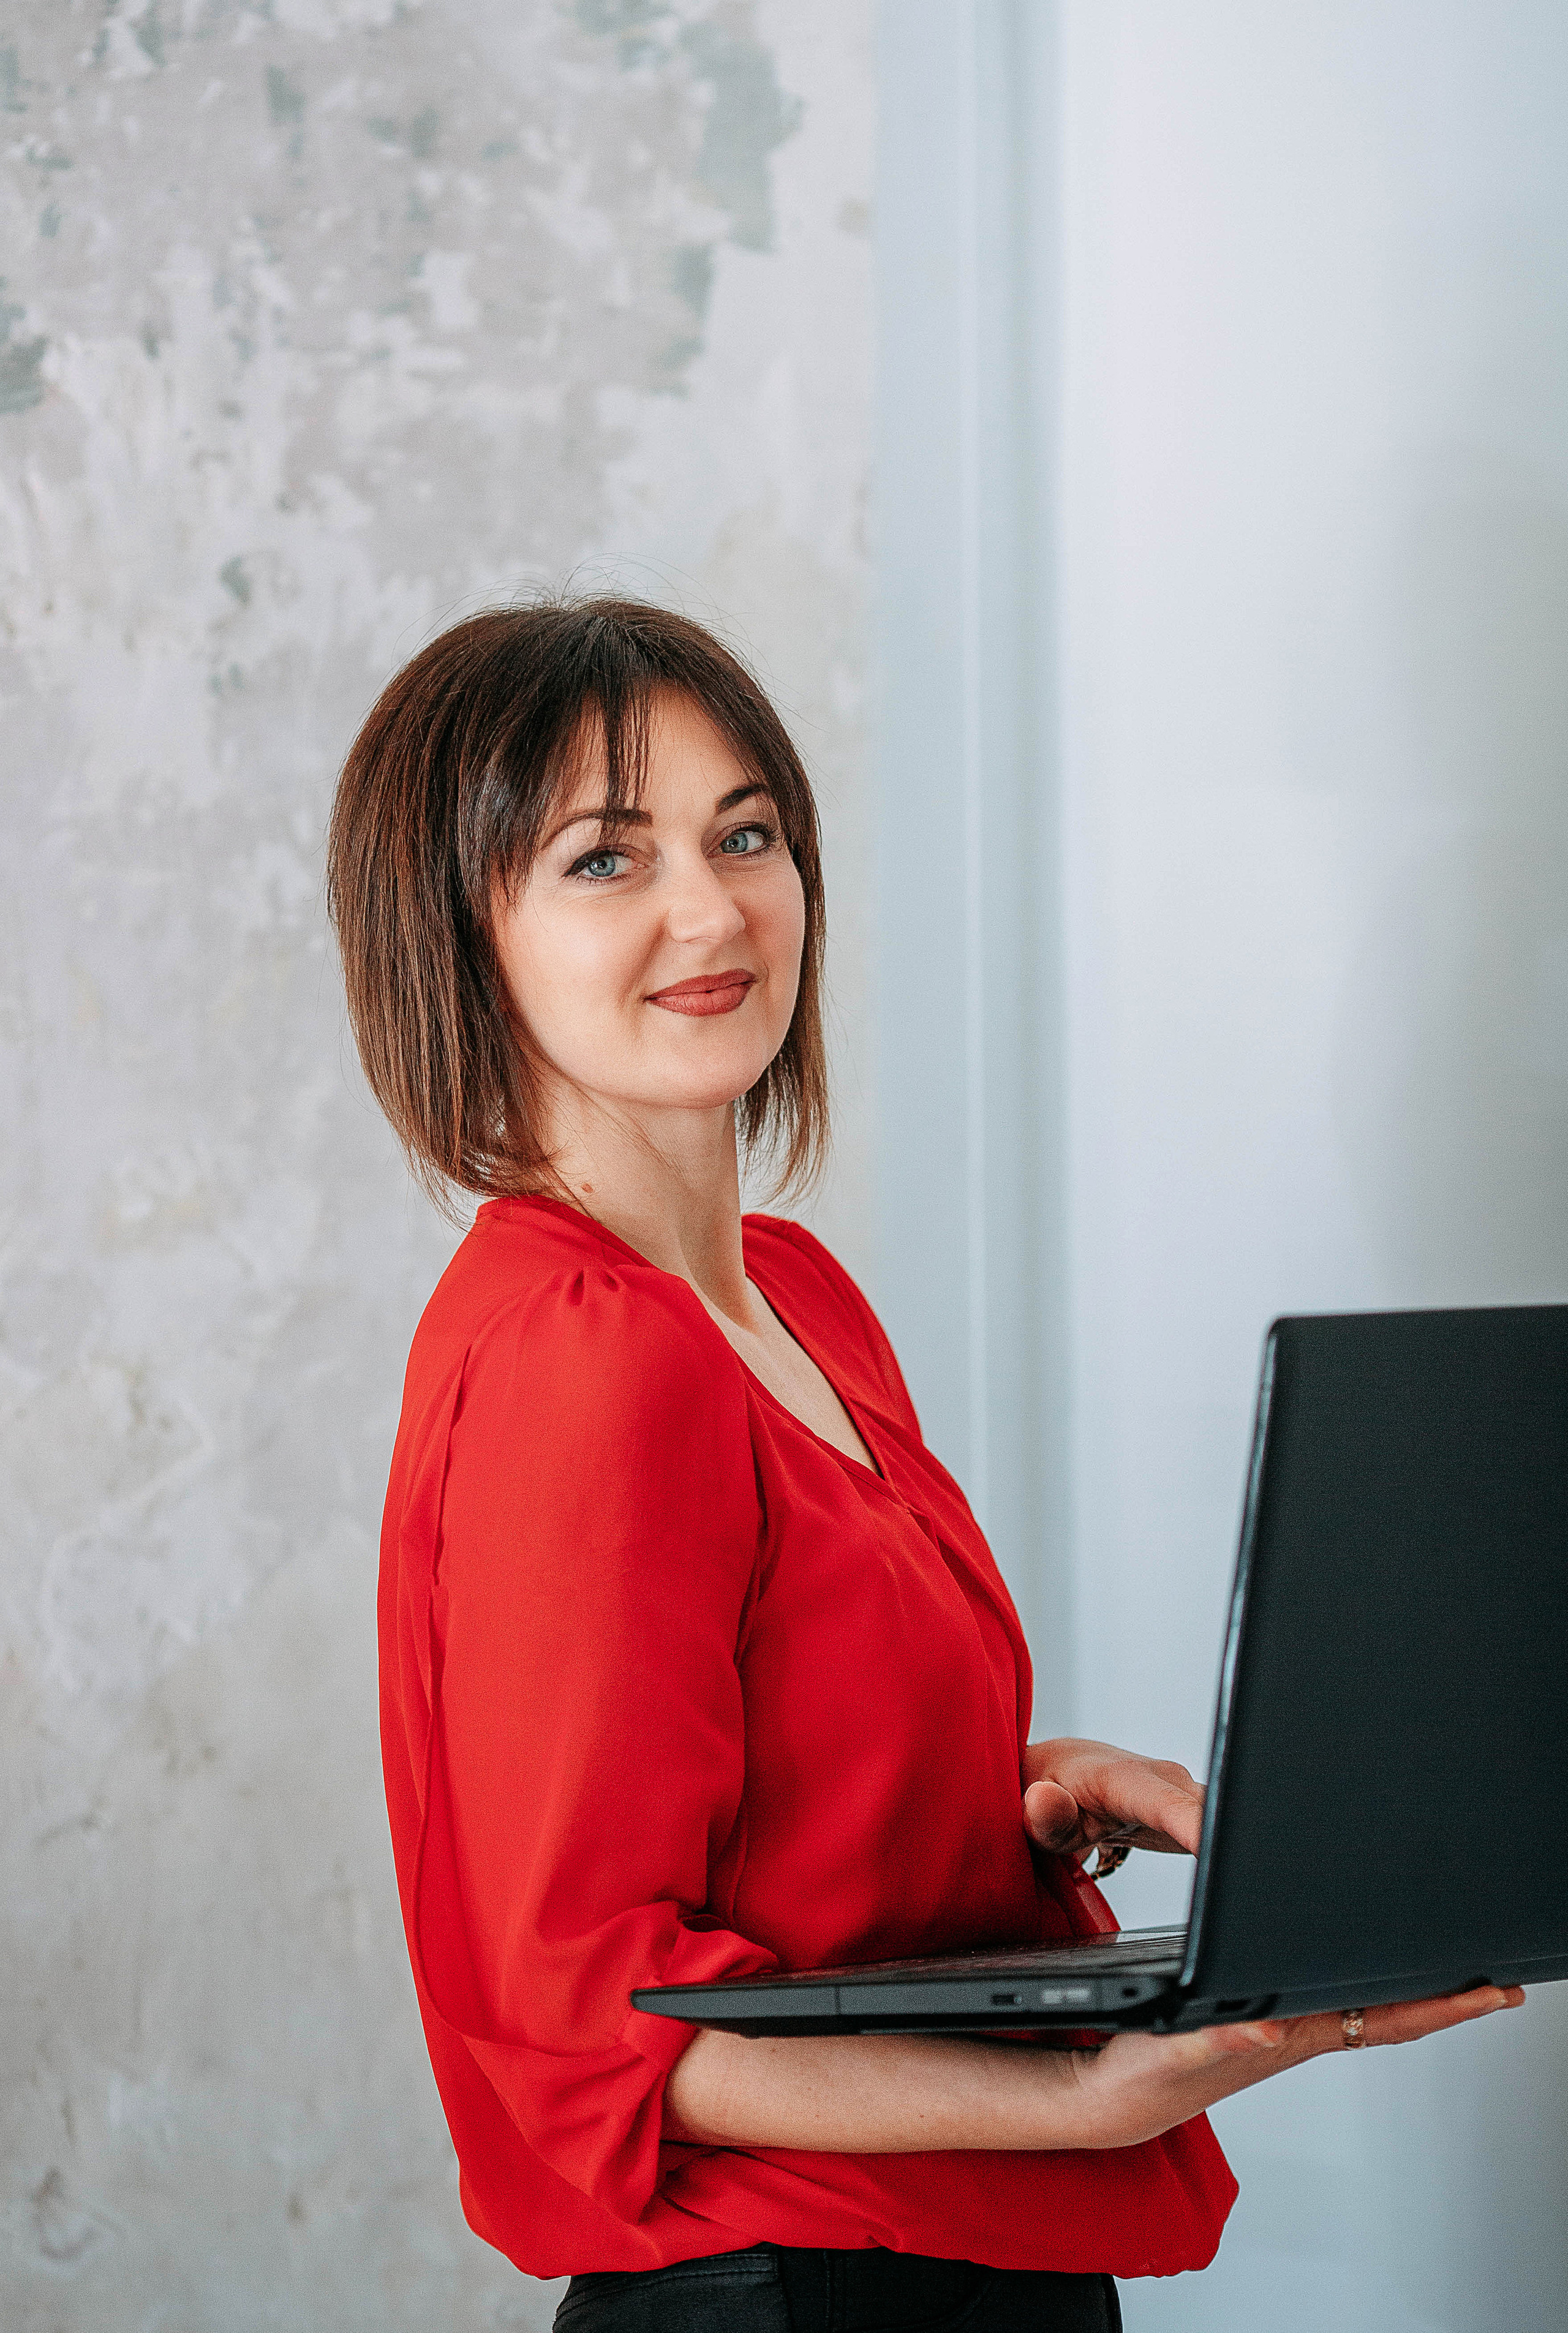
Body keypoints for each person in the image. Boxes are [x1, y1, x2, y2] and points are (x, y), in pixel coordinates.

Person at [327, 597, 1521, 2332]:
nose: (711, 905)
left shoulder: (793, 1296)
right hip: (790, 2288)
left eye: (747, 833)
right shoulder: (585, 1355)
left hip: (955, 2262)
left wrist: (999, 1791)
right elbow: (598, 2010)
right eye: (606, 858)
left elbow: (739, 1768)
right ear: (464, 930)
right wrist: (1065, 2097)